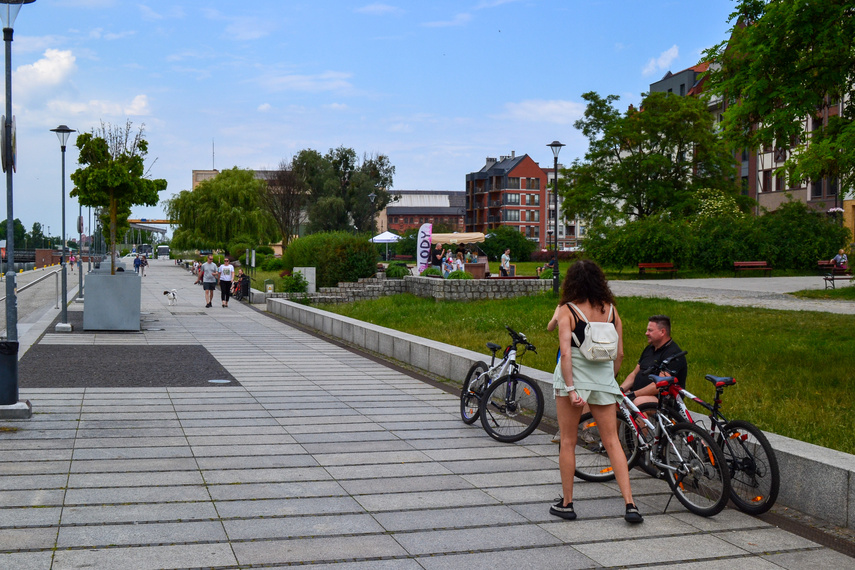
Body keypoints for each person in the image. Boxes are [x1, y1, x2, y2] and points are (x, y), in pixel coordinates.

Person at [550, 259, 643, 523]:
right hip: (603, 382)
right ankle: (630, 504)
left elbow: (566, 353)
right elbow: (621, 353)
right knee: (613, 442)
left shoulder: (568, 310)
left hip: (574, 382)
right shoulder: (612, 311)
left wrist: (570, 388)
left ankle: (567, 504)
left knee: (568, 442)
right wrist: (608, 379)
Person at [619, 315, 688, 408]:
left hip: (664, 401)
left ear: (662, 332)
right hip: (638, 394)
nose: (646, 333)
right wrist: (620, 391)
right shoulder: (649, 349)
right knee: (617, 401)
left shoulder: (673, 354)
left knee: (639, 403)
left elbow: (659, 385)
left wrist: (633, 394)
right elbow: (634, 374)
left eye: (650, 330)